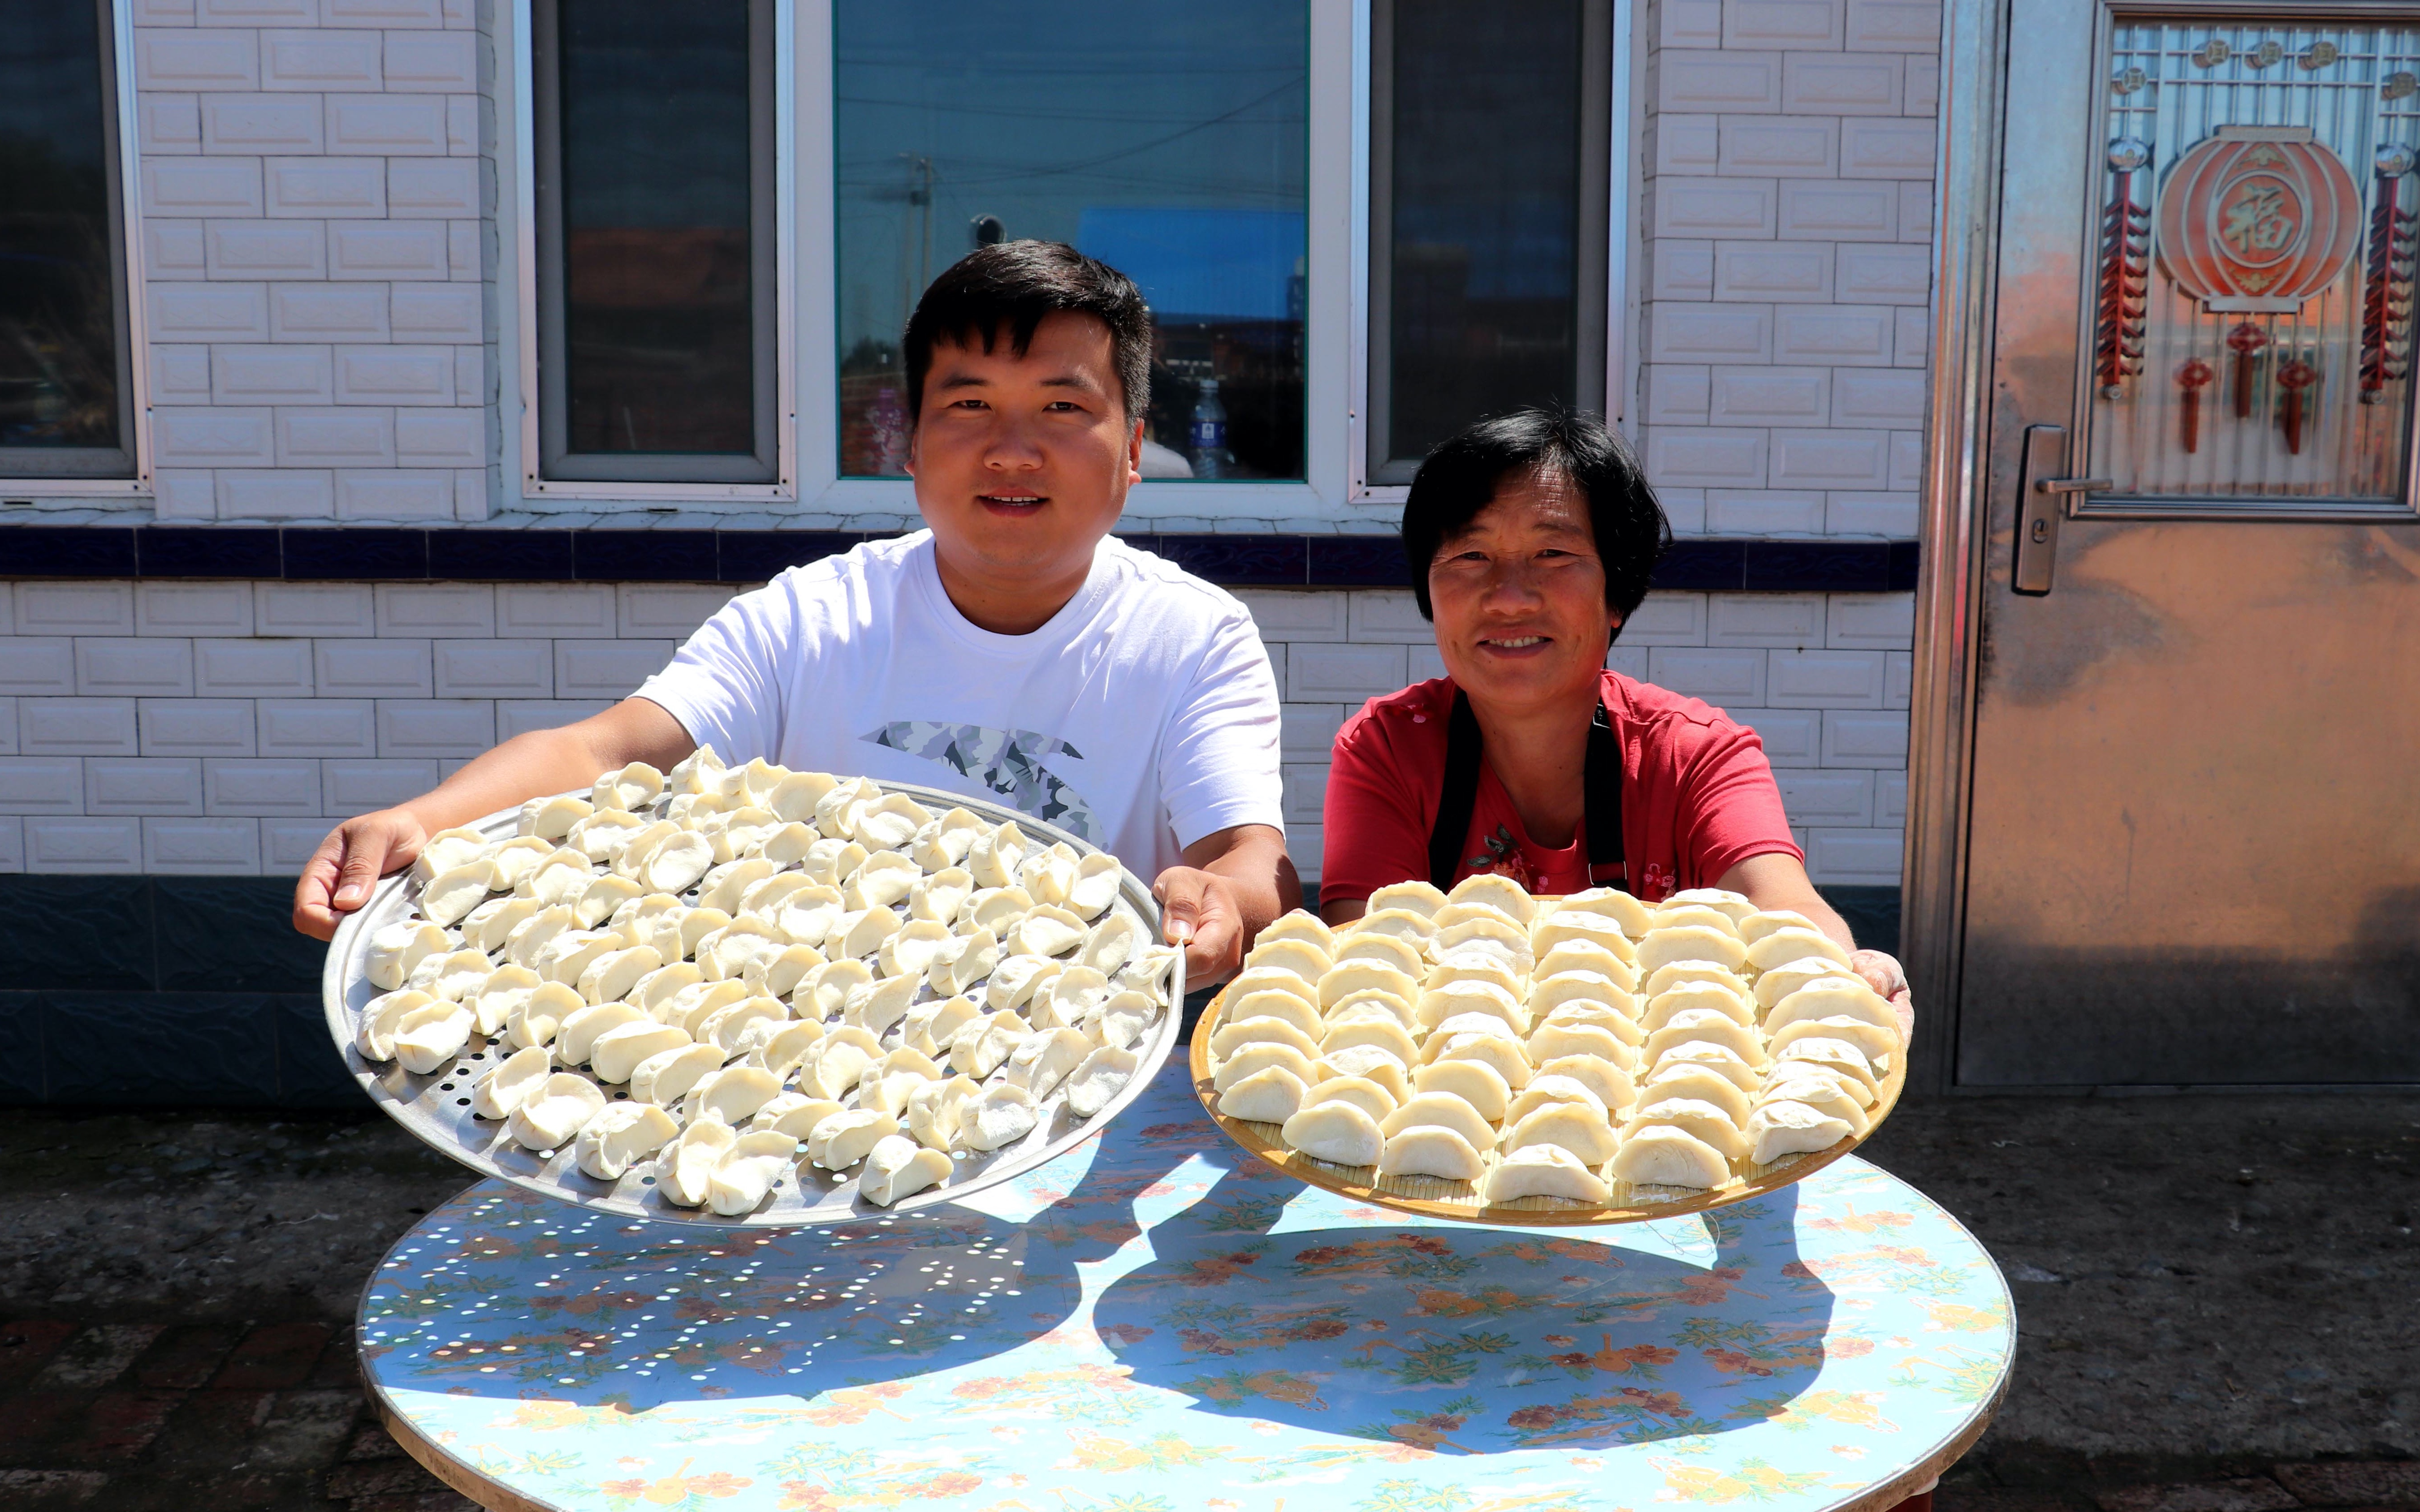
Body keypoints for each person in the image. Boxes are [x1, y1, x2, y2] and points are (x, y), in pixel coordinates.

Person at [293, 241, 1298, 986]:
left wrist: (1226, 903)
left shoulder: (1192, 636)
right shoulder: (811, 617)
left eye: (1063, 408)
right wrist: (418, 821)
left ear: (1133, 452)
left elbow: (1244, 857)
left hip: (1071, 1076)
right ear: (910, 446)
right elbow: (606, 753)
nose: (1012, 450)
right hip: (816, 1079)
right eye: (970, 405)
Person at [1318, 407, 1909, 1017]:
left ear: (1617, 594)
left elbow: (1784, 910)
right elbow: (1365, 963)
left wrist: (1840, 971)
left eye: (1552, 553)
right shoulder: (1388, 747)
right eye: (1471, 556)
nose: (1510, 597)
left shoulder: (1696, 754)